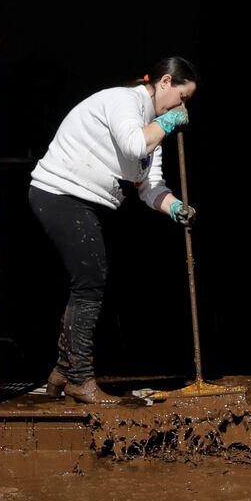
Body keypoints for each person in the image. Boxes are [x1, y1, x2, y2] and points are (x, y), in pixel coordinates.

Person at [28, 56, 200, 406]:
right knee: (90, 279)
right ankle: (79, 379)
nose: (183, 108)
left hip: (80, 200)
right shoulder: (125, 102)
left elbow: (150, 188)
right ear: (165, 82)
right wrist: (168, 121)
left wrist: (175, 208)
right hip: (59, 193)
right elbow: (133, 146)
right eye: (182, 98)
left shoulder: (152, 129)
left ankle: (64, 370)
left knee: (89, 279)